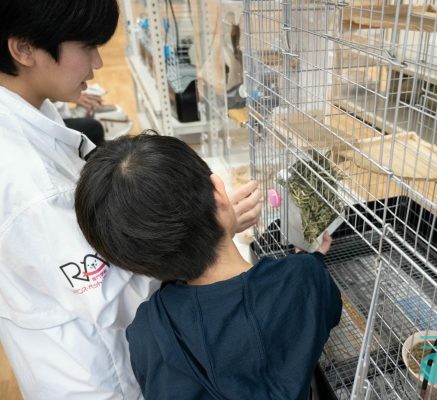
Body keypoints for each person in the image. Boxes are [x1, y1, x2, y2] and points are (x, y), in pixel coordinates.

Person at [0, 1, 261, 398]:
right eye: (87, 46)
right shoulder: (30, 185)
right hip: (93, 373)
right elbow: (111, 301)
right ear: (23, 49)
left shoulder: (31, 108)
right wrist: (208, 234)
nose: (98, 62)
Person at [74, 133, 343, 400]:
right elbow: (326, 308)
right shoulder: (302, 278)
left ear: (133, 262)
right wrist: (311, 257)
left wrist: (220, 225)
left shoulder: (147, 329)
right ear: (219, 192)